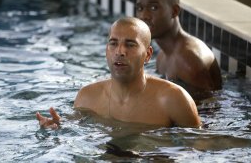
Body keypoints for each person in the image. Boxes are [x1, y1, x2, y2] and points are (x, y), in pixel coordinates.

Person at [36, 17, 200, 129]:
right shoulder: (87, 97)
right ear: (106, 50)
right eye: (113, 43)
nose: (120, 51)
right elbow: (73, 131)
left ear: (148, 55)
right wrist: (57, 128)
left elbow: (198, 148)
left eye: (130, 45)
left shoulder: (173, 100)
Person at [135, 0, 222, 100]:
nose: (144, 15)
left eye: (154, 7)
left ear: (174, 11)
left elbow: (209, 112)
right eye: (140, 8)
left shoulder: (188, 61)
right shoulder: (162, 57)